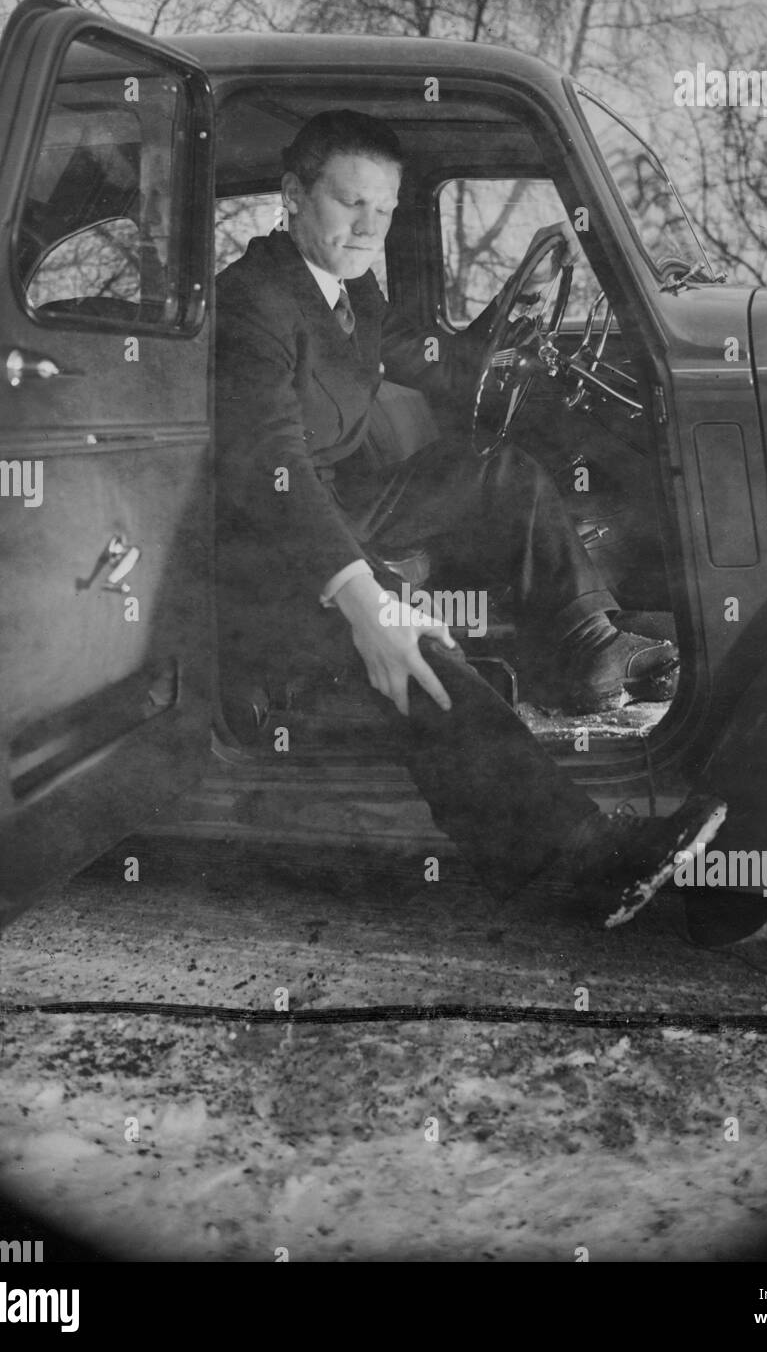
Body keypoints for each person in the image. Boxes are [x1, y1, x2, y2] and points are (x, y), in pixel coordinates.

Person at [214, 108, 725, 927]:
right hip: (269, 541)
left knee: (500, 475)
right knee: (414, 649)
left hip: (342, 499)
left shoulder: (347, 284)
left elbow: (406, 348)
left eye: (382, 211)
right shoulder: (253, 304)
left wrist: (498, 356)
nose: (368, 228)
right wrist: (364, 596)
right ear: (291, 195)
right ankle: (567, 858)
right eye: (349, 204)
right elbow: (272, 466)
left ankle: (586, 650)